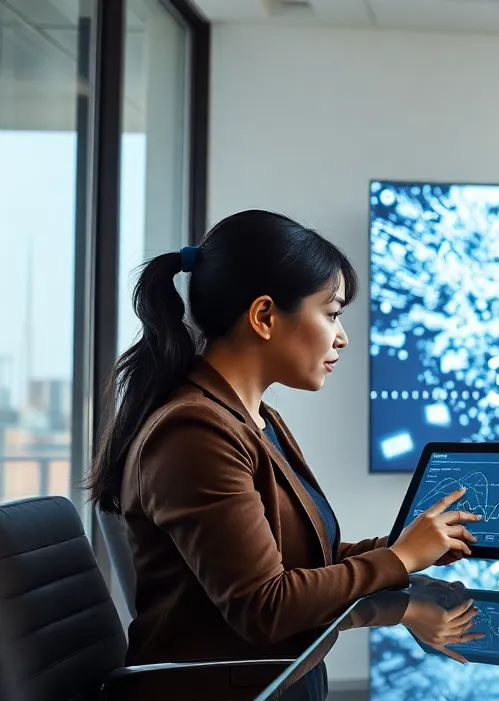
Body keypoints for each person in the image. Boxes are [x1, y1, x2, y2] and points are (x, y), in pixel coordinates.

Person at [87, 210, 479, 665]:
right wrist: (400, 559)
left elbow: (308, 562)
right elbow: (265, 608)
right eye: (332, 314)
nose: (342, 338)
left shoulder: (253, 419)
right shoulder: (195, 433)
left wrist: (407, 550)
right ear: (265, 316)